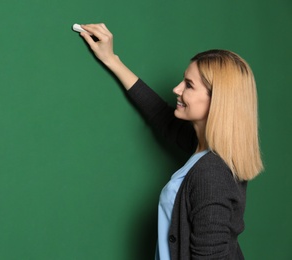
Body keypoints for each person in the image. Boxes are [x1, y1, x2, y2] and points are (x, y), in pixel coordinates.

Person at [77, 23, 263, 259]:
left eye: (189, 85)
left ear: (218, 101)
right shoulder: (208, 152)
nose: (176, 89)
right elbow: (162, 117)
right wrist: (111, 59)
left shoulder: (211, 174)